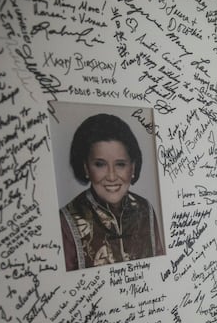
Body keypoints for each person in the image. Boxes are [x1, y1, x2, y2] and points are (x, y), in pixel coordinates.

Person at [60, 113, 165, 271]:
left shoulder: (146, 210)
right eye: (100, 164)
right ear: (86, 168)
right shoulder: (66, 222)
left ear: (133, 167)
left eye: (120, 164)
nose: (111, 176)